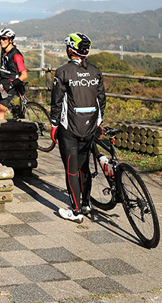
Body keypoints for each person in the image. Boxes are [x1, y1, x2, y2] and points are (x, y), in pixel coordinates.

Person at [49, 32, 106, 222]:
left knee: (71, 169)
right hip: (90, 126)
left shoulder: (63, 71)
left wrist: (54, 124)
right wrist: (99, 123)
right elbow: (101, 100)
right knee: (84, 167)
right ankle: (86, 203)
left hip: (69, 128)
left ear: (70, 49)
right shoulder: (95, 72)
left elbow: (57, 101)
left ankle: (75, 211)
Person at [0, 28, 29, 120]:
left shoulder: (16, 55)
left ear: (11, 40)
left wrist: (14, 84)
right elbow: (3, 68)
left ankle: (1, 133)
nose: (1, 41)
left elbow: (24, 75)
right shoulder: (4, 51)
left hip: (11, 84)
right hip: (1, 83)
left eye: (4, 39)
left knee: (0, 111)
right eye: (0, 38)